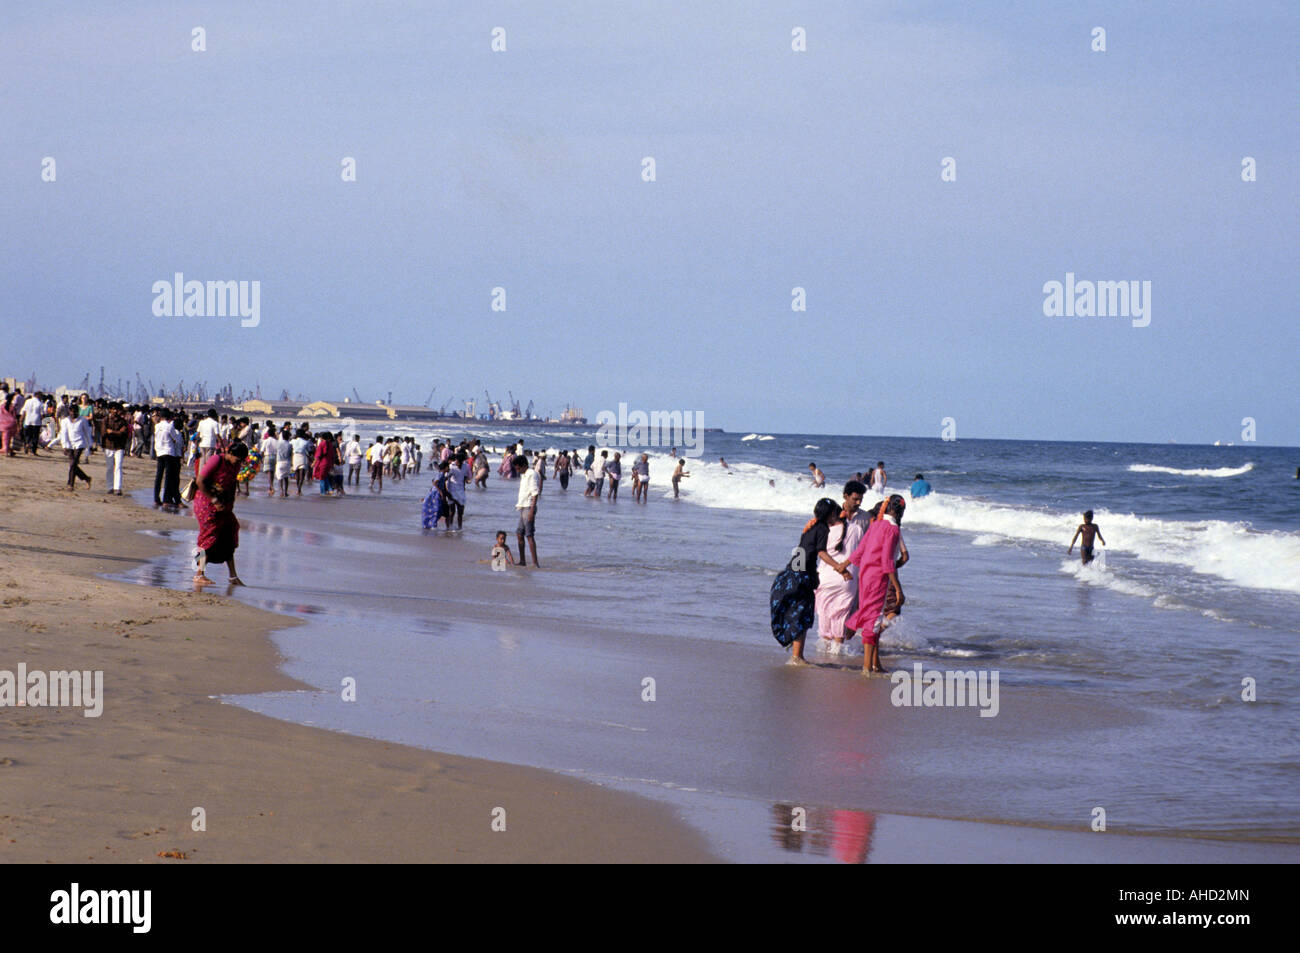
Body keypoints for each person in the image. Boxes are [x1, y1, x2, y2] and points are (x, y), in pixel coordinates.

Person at [770, 498, 850, 664]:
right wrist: (839, 567)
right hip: (802, 577)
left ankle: (796, 654)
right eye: (835, 512)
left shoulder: (811, 526)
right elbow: (821, 552)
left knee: (796, 612)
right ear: (830, 514)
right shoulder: (822, 529)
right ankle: (797, 657)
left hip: (792, 572)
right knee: (803, 614)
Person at [847, 494, 905, 675]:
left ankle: (874, 664)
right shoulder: (893, 529)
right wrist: (898, 589)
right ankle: (866, 668)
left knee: (872, 616)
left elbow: (860, 552)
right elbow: (887, 561)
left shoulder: (877, 525)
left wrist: (843, 565)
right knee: (873, 619)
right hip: (879, 577)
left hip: (865, 574)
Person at [814, 480, 869, 653]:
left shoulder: (864, 518)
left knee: (825, 614)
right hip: (848, 576)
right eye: (855, 499)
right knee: (842, 616)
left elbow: (816, 548)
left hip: (828, 574)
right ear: (845, 496)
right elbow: (864, 549)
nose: (858, 502)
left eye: (861, 499)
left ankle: (825, 655)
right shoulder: (849, 525)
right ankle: (838, 655)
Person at [192, 442, 247, 587]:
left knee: (229, 532)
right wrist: (214, 500)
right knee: (208, 536)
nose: (239, 463)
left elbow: (233, 482)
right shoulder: (217, 460)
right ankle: (199, 574)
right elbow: (200, 481)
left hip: (223, 504)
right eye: (238, 459)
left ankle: (233, 576)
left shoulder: (235, 465)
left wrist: (231, 501)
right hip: (206, 502)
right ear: (230, 453)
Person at [513, 454, 541, 567]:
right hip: (522, 506)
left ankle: (535, 563)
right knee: (519, 534)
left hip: (529, 507)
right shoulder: (524, 475)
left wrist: (531, 512)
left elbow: (535, 493)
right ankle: (522, 560)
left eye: (518, 468)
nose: (517, 470)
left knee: (529, 535)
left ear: (524, 465)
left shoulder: (531, 474)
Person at [102, 402, 129, 495]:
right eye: (113, 409)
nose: (115, 411)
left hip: (119, 447)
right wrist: (116, 432)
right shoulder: (106, 420)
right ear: (110, 410)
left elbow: (123, 433)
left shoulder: (123, 421)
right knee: (109, 468)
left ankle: (117, 488)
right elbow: (104, 433)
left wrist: (112, 432)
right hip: (108, 446)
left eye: (116, 409)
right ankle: (110, 487)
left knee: (118, 467)